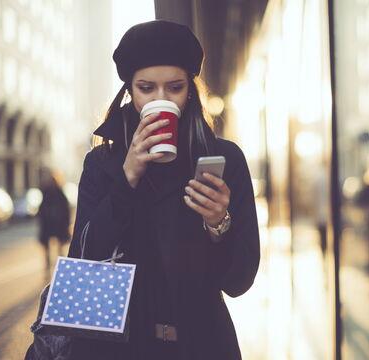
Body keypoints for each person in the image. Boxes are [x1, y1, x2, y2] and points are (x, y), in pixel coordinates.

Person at [66, 20, 260, 359]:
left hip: (203, 345)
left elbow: (239, 281)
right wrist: (127, 179)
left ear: (190, 91)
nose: (161, 98)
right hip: (120, 349)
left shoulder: (223, 159)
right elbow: (84, 263)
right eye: (146, 87)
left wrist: (219, 222)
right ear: (130, 90)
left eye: (174, 87)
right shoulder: (103, 163)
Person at [37, 168, 71, 270]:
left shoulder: (54, 192)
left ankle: (56, 266)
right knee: (54, 247)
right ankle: (55, 266)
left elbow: (65, 209)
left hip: (54, 223)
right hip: (53, 223)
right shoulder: (52, 192)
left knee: (56, 247)